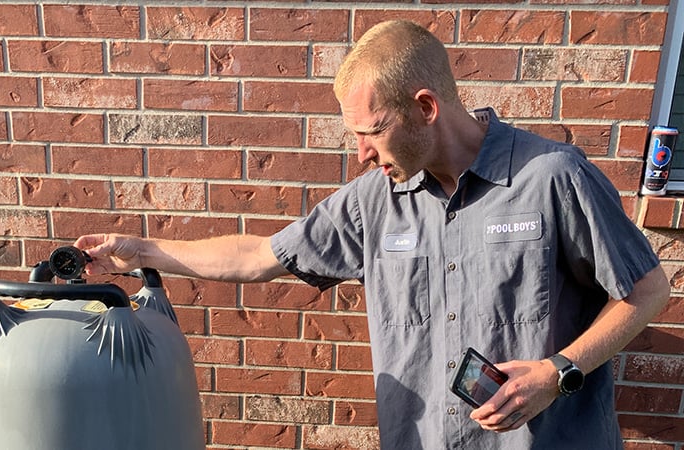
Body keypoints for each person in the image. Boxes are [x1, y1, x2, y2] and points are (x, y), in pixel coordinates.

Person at [74, 20, 671, 449]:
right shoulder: (373, 203)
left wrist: (556, 372)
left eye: (373, 132)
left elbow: (647, 291)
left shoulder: (552, 178)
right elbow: (260, 255)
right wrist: (142, 252)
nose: (361, 154)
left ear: (426, 107)